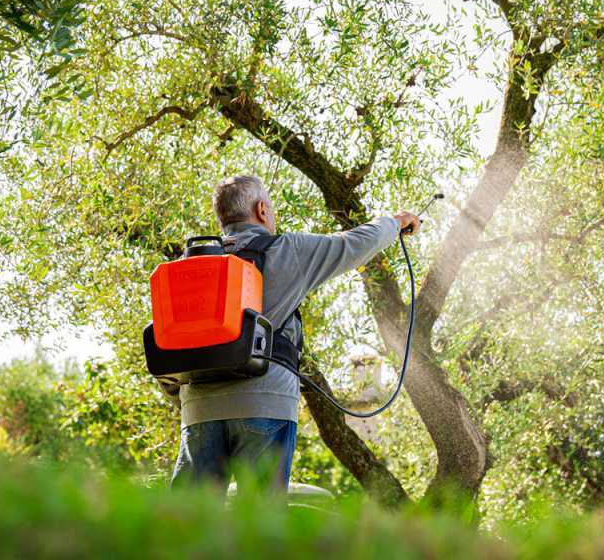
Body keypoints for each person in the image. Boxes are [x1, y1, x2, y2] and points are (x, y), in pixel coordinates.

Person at [163, 175, 420, 492]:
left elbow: (167, 343)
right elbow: (355, 243)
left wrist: (188, 398)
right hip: (265, 405)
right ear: (261, 210)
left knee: (186, 525)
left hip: (199, 412)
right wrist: (395, 222)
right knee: (259, 523)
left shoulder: (187, 267)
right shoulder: (287, 250)